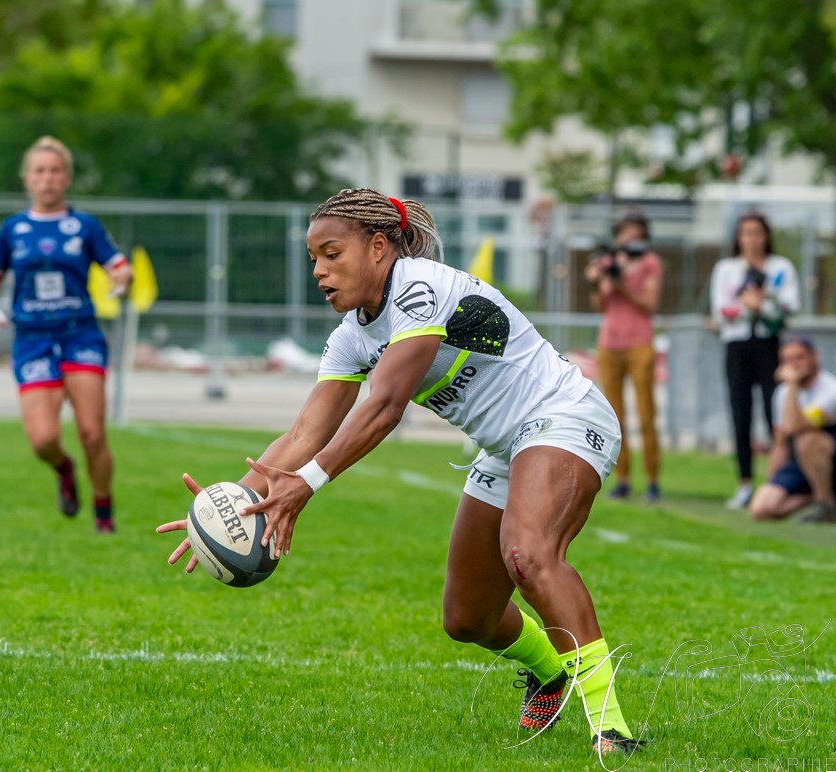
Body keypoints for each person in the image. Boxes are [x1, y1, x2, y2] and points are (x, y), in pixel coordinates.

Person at [157, 188, 642, 757]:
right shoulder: (349, 340)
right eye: (313, 258)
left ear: (380, 247)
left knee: (528, 553)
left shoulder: (420, 285)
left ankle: (613, 729)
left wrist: (307, 484)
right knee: (467, 618)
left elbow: (385, 407)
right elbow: (303, 434)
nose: (319, 271)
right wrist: (234, 503)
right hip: (505, 446)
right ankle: (549, 674)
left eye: (332, 254)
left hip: (561, 416)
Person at [0, 136, 132, 533]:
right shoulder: (13, 229)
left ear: (67, 178)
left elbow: (118, 265)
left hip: (80, 334)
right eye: (40, 171)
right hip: (33, 338)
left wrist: (120, 279)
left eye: (56, 170)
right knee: (44, 439)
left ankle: (103, 515)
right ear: (27, 178)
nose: (48, 178)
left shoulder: (84, 226)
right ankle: (64, 469)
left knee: (92, 433)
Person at [710, 212, 800, 510]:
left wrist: (764, 305)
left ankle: (778, 479)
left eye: (757, 232)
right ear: (738, 237)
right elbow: (721, 309)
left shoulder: (780, 267)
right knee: (740, 413)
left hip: (769, 344)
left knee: (775, 411)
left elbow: (790, 305)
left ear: (766, 235)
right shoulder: (727, 269)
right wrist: (746, 307)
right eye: (745, 233)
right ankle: (745, 482)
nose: (751, 238)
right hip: (737, 345)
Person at [583, 212, 663, 502]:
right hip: (610, 343)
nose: (630, 238)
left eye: (636, 233)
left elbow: (649, 304)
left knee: (645, 413)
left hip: (640, 342)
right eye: (625, 232)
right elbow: (600, 305)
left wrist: (623, 286)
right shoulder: (609, 263)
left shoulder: (650, 262)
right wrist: (596, 281)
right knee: (614, 416)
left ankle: (653, 480)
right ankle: (623, 479)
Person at [748, 338, 836, 523]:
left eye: (800, 358)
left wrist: (793, 386)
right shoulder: (782, 393)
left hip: (827, 456)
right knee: (761, 508)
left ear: (815, 357)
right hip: (801, 462)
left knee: (808, 440)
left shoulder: (831, 390)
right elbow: (781, 442)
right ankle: (817, 495)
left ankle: (826, 504)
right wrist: (773, 481)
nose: (794, 365)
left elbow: (796, 427)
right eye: (787, 360)